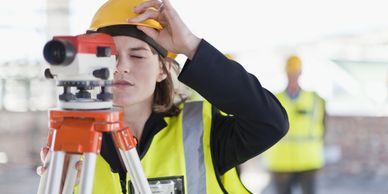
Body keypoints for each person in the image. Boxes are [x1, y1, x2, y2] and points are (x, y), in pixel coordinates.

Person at [37, 0, 289, 193]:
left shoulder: (202, 133)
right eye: (108, 56)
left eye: (137, 55)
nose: (120, 67)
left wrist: (190, 45)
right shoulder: (75, 147)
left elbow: (270, 122)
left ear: (162, 69)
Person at [264, 55, 326, 194]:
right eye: (290, 72)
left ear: (300, 73)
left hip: (308, 161)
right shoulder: (274, 99)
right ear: (286, 73)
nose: (292, 76)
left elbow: (323, 127)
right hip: (280, 162)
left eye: (295, 72)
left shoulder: (316, 100)